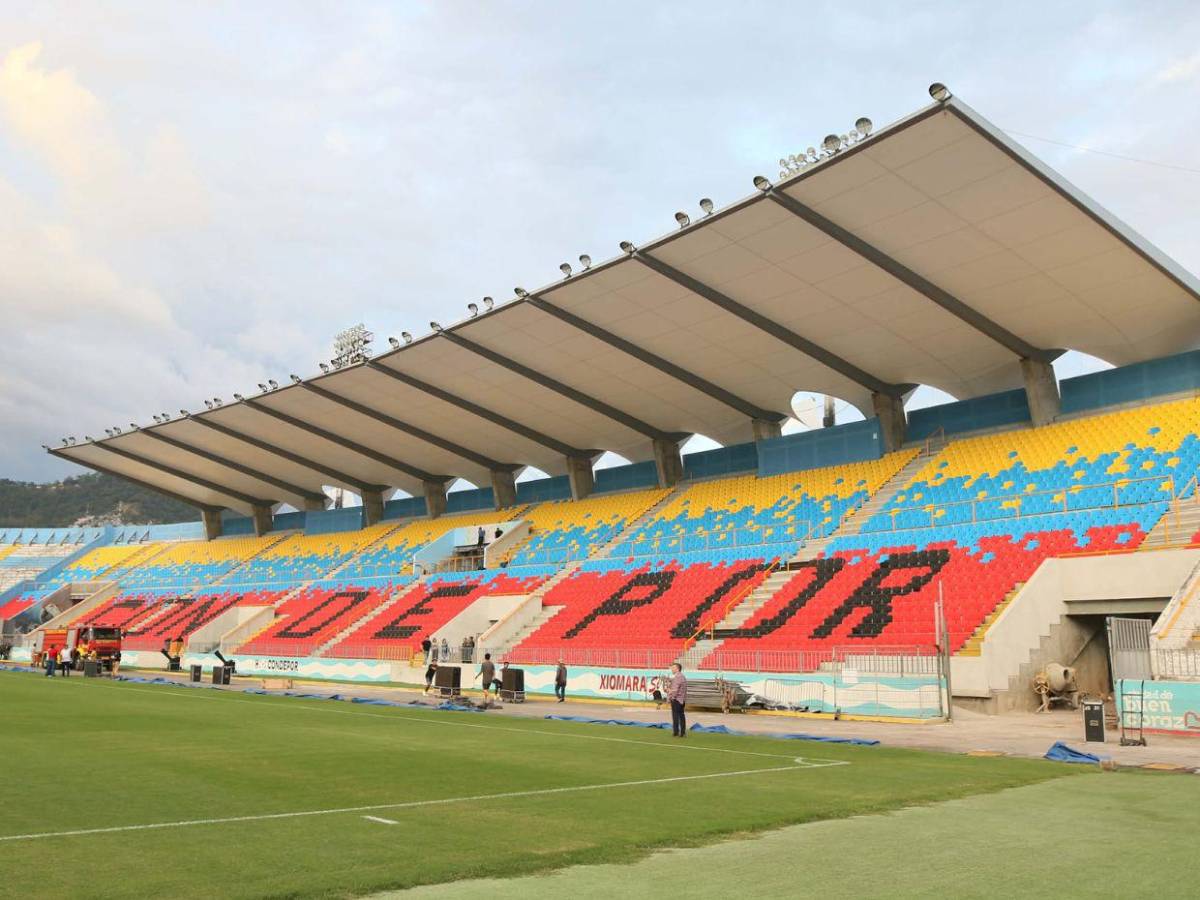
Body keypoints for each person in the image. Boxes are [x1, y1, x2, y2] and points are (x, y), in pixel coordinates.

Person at [667, 663, 688, 737]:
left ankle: (676, 732)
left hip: (677, 700)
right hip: (682, 699)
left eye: (673, 668)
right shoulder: (682, 676)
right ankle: (683, 732)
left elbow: (675, 690)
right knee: (681, 716)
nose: (671, 669)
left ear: (677, 669)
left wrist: (670, 696)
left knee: (675, 716)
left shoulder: (677, 677)